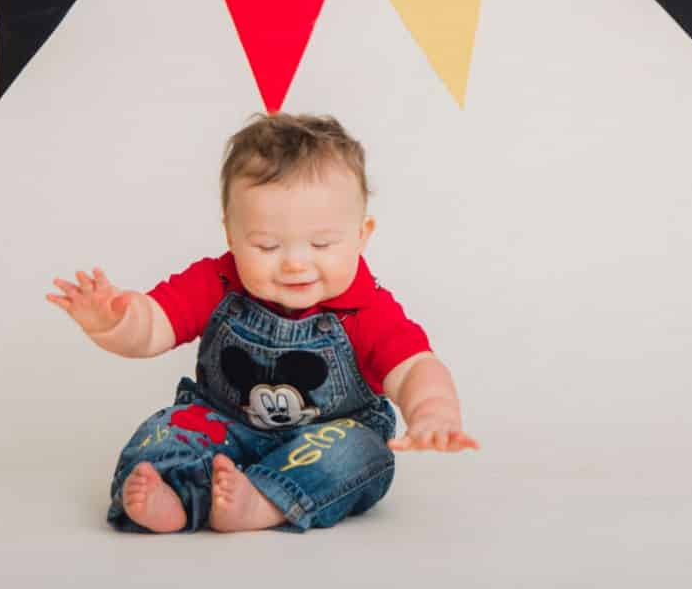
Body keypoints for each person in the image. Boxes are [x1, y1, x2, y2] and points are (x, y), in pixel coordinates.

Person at [46, 112, 479, 534]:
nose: (294, 263)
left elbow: (415, 367)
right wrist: (116, 320)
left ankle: (266, 501)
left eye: (322, 243)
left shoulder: (365, 310)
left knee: (361, 452)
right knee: (164, 430)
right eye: (267, 245)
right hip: (224, 422)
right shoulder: (217, 281)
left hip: (325, 436)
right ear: (231, 234)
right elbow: (155, 325)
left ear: (362, 234)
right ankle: (175, 496)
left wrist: (432, 411)